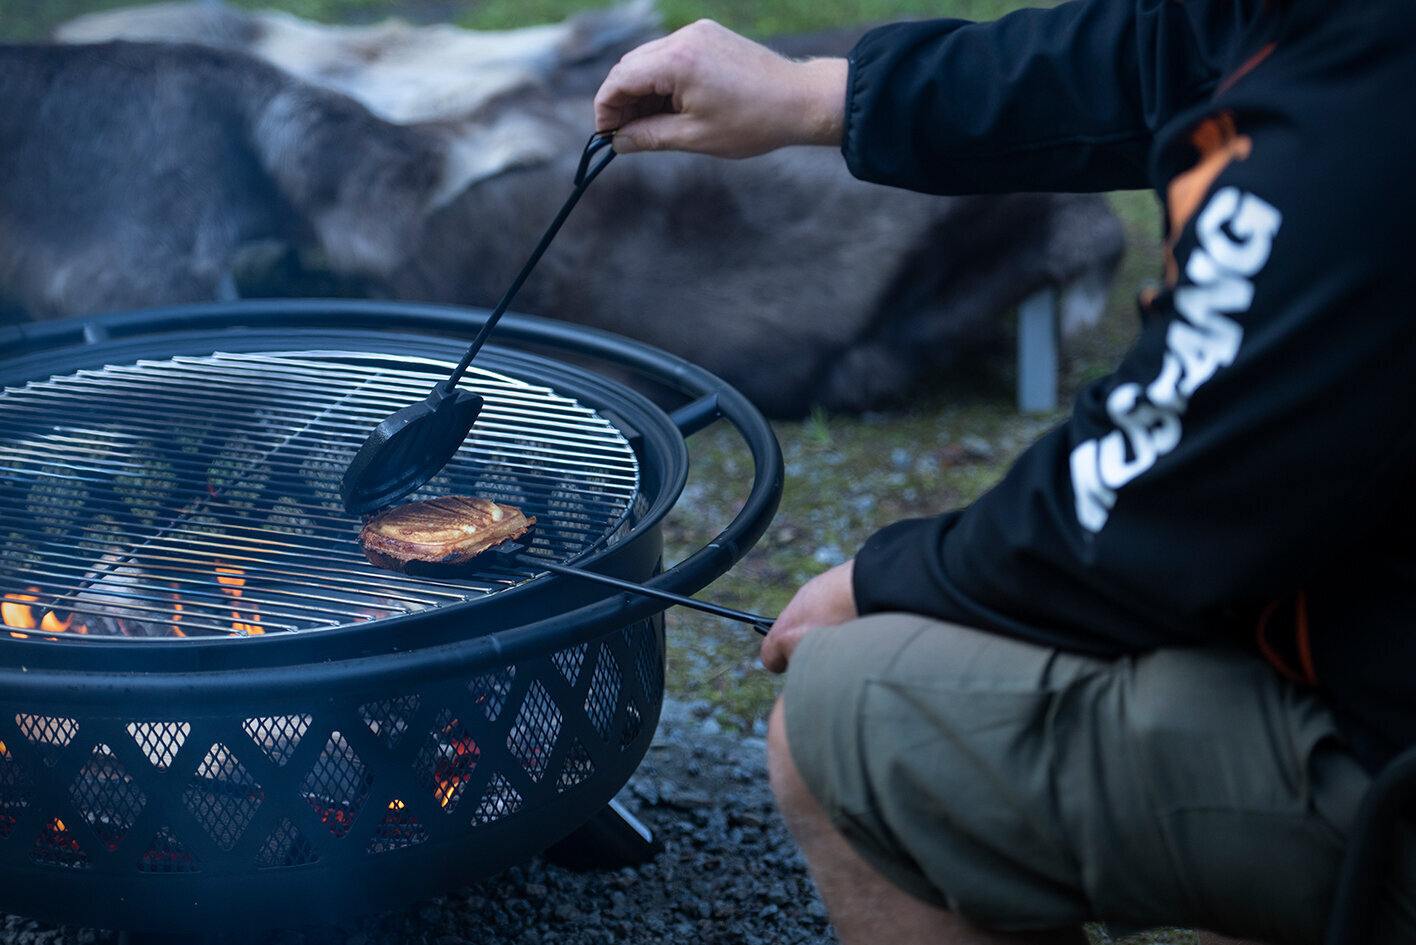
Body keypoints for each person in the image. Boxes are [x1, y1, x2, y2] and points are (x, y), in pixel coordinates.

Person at [594, 2, 1416, 944]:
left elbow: (1176, 479)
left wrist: (888, 579)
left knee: (848, 720)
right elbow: (1161, 52)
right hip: (1356, 598)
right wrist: (821, 92)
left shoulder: (1360, 98)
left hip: (1385, 732)